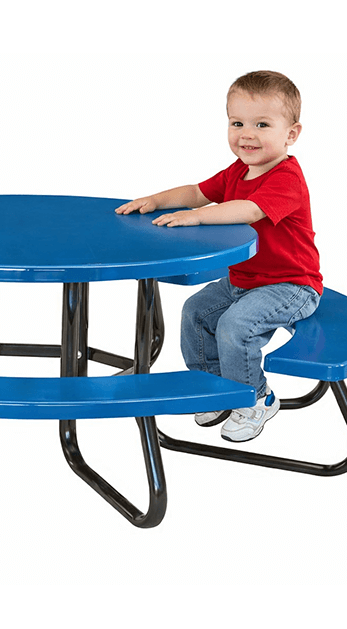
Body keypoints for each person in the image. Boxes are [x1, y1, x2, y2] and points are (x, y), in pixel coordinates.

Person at [116, 70, 323, 442]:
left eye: (262, 124)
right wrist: (157, 200)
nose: (247, 133)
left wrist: (196, 217)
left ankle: (255, 397)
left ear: (291, 134)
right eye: (237, 122)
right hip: (244, 281)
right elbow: (197, 191)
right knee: (195, 312)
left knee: (235, 326)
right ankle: (214, 387)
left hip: (290, 285)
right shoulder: (237, 171)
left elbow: (249, 210)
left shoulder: (286, 177)